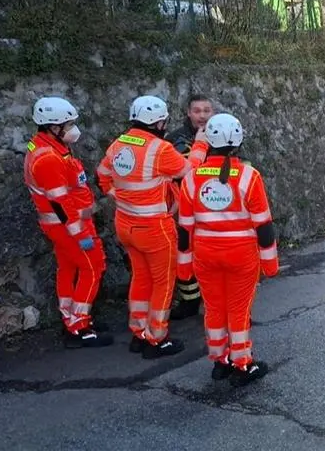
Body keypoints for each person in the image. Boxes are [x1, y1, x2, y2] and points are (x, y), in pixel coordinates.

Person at [97, 96, 207, 359]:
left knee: (141, 278)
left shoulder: (119, 144)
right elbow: (190, 170)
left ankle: (139, 332)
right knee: (163, 283)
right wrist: (201, 143)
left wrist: (120, 197)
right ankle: (157, 338)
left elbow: (101, 175)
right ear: (158, 122)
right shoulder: (159, 148)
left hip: (126, 225)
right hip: (154, 228)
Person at [177, 113, 279, 387]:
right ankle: (243, 363)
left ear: (207, 140)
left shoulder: (191, 178)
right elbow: (264, 226)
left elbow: (185, 228)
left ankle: (220, 361)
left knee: (213, 308)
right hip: (241, 255)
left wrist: (183, 265)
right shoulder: (249, 176)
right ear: (239, 141)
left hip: (205, 254)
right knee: (238, 309)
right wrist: (270, 264)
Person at [24, 97, 113, 349]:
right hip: (69, 227)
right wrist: (80, 233)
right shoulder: (48, 159)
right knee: (93, 268)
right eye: (68, 124)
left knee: (68, 269)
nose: (74, 128)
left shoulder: (49, 148)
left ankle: (70, 318)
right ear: (53, 127)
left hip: (63, 226)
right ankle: (79, 327)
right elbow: (60, 203)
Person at [165, 94, 215, 321]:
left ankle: (213, 299)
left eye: (206, 111)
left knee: (212, 254)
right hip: (185, 204)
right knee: (184, 254)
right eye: (197, 111)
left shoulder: (222, 133)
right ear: (188, 112)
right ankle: (190, 301)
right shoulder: (175, 139)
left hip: (214, 203)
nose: (202, 115)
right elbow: (177, 172)